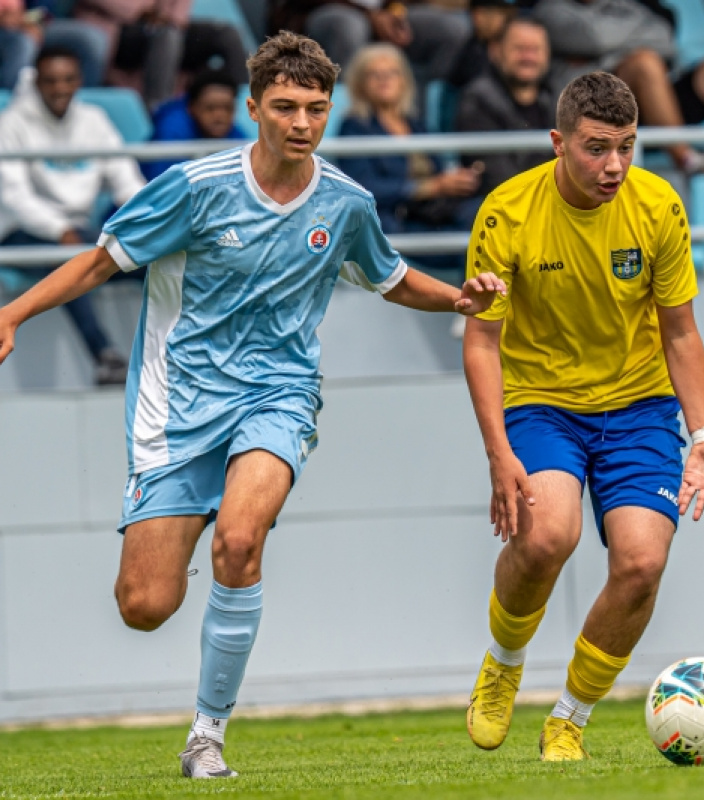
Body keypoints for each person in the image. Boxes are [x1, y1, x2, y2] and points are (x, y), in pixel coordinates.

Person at [0, 31, 505, 778]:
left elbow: (392, 278)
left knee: (239, 543)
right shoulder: (194, 187)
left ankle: (206, 736)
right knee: (143, 604)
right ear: (254, 108)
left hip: (277, 398)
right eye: (286, 107)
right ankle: (199, 504)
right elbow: (99, 262)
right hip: (176, 410)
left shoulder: (346, 201)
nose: (302, 123)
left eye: (316, 108)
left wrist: (459, 296)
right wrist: (12, 315)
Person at [462, 71, 704, 761]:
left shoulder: (658, 206)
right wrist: (499, 451)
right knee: (546, 538)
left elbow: (680, 332)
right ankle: (502, 663)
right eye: (595, 148)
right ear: (559, 142)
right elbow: (481, 339)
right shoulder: (507, 211)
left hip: (638, 408)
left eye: (626, 146)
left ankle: (569, 719)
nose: (614, 166)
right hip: (541, 403)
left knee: (643, 561)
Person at [0, 44, 146, 385]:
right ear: (37, 82)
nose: (60, 88)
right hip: (21, 235)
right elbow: (15, 198)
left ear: (80, 81)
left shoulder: (93, 120)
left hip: (80, 234)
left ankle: (182, 355)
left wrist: (148, 222)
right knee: (72, 258)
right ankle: (105, 355)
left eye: (67, 79)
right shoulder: (12, 124)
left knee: (154, 257)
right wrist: (59, 229)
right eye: (51, 80)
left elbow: (126, 180)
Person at [530, 0, 704, 173]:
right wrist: (633, 38)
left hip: (657, 101)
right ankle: (687, 159)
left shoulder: (631, 5)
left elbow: (666, 41)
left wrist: (604, 49)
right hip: (599, 111)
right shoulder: (550, 10)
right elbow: (594, 38)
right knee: (644, 62)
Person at [338, 43, 482, 271]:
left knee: (488, 216)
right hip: (399, 221)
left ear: (404, 79)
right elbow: (362, 189)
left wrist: (455, 180)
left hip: (436, 213)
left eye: (392, 73)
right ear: (360, 83)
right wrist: (428, 187)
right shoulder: (355, 127)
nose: (384, 80)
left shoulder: (416, 124)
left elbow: (438, 172)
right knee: (473, 249)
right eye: (375, 74)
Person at [73, 0, 250, 112]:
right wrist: (143, 10)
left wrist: (171, 18)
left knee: (226, 34)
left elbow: (178, 12)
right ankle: (158, 109)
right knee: (167, 37)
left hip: (164, 24)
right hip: (115, 28)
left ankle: (247, 107)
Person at [271, 0, 470, 94]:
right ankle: (353, 118)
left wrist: (395, 11)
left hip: (381, 13)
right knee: (350, 26)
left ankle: (414, 106)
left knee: (453, 30)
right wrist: (371, 16)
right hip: (318, 13)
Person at [455, 15, 555, 198]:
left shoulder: (558, 99)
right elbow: (498, 178)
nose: (528, 57)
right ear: (495, 51)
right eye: (519, 48)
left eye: (536, 49)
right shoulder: (477, 99)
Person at [142, 68, 248, 181]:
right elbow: (164, 187)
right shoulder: (170, 133)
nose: (219, 116)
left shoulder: (235, 134)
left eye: (227, 108)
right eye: (210, 108)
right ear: (192, 107)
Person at [448, 0, 520, 91]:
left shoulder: (511, 50)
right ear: (478, 15)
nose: (510, 21)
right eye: (503, 13)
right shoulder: (471, 56)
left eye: (512, 15)